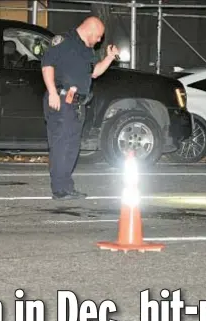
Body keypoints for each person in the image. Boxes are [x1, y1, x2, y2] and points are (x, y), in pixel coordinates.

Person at [40, 16, 118, 200]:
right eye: (98, 36)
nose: (100, 40)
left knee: (72, 147)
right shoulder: (64, 41)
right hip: (61, 99)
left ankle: (67, 187)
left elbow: (95, 72)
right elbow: (47, 64)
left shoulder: (87, 50)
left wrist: (109, 57)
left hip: (77, 104)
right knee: (61, 145)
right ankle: (59, 189)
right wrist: (52, 92)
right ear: (90, 30)